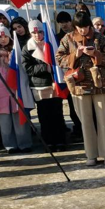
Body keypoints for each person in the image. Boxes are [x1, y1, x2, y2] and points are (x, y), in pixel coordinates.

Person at [56, 11, 105, 166]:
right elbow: (59, 59)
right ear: (75, 27)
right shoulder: (67, 39)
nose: (83, 30)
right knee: (86, 122)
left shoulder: (100, 38)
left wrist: (95, 54)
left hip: (100, 85)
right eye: (79, 27)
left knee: (103, 120)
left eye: (85, 27)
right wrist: (74, 55)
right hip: (80, 86)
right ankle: (91, 154)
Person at [22, 20, 68, 152]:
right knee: (44, 115)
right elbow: (28, 68)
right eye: (34, 33)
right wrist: (44, 68)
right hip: (39, 86)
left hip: (54, 84)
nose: (37, 35)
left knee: (57, 114)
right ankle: (48, 142)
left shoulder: (51, 43)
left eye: (40, 32)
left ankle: (60, 141)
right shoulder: (27, 48)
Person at [0, 26, 33, 153]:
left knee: (19, 119)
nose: (3, 39)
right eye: (0, 37)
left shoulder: (15, 52)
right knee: (5, 122)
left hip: (15, 90)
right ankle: (10, 145)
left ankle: (25, 143)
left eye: (5, 36)